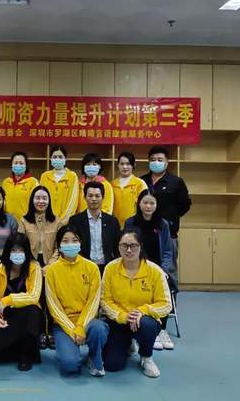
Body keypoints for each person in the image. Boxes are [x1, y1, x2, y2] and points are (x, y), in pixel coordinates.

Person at [101, 230, 172, 378]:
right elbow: (105, 300)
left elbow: (166, 304)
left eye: (133, 245)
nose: (128, 250)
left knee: (147, 325)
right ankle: (129, 343)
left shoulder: (154, 271)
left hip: (144, 321)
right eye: (124, 245)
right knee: (112, 365)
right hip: (119, 321)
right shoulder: (110, 269)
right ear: (118, 247)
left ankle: (146, 357)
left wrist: (141, 311)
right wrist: (124, 316)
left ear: (141, 246)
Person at [45, 225, 108, 376]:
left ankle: (94, 356)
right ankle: (70, 352)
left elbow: (93, 302)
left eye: (74, 240)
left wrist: (81, 326)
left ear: (80, 243)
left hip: (88, 321)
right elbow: (54, 306)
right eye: (65, 241)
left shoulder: (92, 267)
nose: (70, 244)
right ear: (59, 245)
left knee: (99, 328)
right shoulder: (51, 270)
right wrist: (72, 329)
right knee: (70, 366)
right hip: (63, 324)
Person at [124, 189, 175, 350]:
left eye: (152, 203)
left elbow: (168, 251)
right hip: (135, 267)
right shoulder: (131, 222)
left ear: (156, 205)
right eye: (145, 202)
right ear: (139, 204)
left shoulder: (163, 224)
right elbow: (126, 247)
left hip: (157, 269)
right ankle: (133, 331)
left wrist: (163, 271)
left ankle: (161, 330)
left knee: (166, 288)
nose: (148, 206)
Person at [0, 233, 42, 371]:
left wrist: (8, 300)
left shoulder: (35, 268)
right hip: (5, 316)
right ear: (7, 252)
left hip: (26, 316)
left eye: (21, 250)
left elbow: (34, 296)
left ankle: (25, 354)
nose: (18, 254)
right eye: (14, 250)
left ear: (27, 251)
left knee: (33, 311)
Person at [18, 185, 63, 350]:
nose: (41, 201)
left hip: (52, 264)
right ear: (32, 200)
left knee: (50, 299)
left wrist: (50, 265)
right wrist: (34, 265)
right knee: (36, 299)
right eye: (37, 198)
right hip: (30, 264)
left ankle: (51, 332)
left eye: (44, 198)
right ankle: (39, 333)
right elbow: (21, 245)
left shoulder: (56, 221)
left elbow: (60, 246)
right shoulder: (24, 221)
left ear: (49, 201)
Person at [141, 146, 191, 285]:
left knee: (168, 270)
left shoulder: (176, 182)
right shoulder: (142, 181)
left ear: (167, 162)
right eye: (153, 160)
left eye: (160, 159)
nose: (156, 162)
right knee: (144, 269)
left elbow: (185, 205)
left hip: (168, 233)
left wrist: (171, 218)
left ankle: (170, 296)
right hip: (145, 232)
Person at [68, 181, 121, 274]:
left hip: (107, 268)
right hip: (83, 267)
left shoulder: (112, 221)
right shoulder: (75, 220)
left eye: (97, 196)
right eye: (90, 196)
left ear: (103, 197)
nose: (94, 199)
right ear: (84, 197)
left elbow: (117, 246)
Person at [40, 146, 79, 221]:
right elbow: (41, 199)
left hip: (66, 221)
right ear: (51, 159)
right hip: (47, 220)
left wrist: (63, 221)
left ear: (65, 159)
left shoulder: (72, 176)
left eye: (60, 157)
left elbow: (73, 202)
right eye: (54, 157)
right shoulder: (45, 176)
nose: (57, 159)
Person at [111, 151, 148, 228]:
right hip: (115, 225)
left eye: (128, 164)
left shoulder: (140, 183)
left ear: (133, 165)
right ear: (118, 165)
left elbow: (145, 206)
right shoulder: (112, 184)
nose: (125, 167)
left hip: (134, 225)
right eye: (122, 164)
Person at [1, 152, 39, 221]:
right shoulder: (5, 182)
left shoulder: (33, 182)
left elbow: (37, 204)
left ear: (26, 166)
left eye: (21, 163)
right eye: (15, 163)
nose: (18, 165)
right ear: (12, 165)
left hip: (27, 222)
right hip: (8, 222)